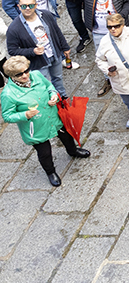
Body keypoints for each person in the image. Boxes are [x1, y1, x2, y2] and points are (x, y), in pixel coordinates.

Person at [1, 56, 90, 186]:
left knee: (66, 136)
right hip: (35, 126)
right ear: (11, 76)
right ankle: (50, 172)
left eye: (26, 71)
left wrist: (53, 94)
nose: (25, 75)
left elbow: (49, 85)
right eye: (19, 74)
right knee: (45, 152)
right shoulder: (8, 94)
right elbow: (7, 116)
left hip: (53, 116)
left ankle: (73, 151)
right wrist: (25, 114)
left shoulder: (36, 75)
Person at [6, 0, 70, 98]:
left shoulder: (46, 15)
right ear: (18, 7)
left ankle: (63, 98)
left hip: (54, 54)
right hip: (38, 62)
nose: (27, 8)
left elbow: (57, 31)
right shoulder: (14, 28)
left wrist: (65, 47)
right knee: (44, 84)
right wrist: (32, 51)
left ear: (36, 5)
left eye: (30, 5)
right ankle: (51, 102)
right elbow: (12, 50)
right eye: (23, 6)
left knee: (58, 78)